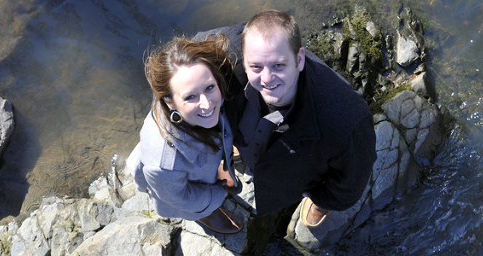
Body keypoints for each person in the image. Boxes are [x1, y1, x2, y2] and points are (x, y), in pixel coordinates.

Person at [218, 10, 377, 228]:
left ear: (300, 59)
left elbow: (350, 184)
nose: (266, 79)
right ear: (244, 60)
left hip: (303, 164)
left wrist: (323, 198)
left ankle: (318, 205)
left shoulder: (348, 120)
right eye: (256, 66)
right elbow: (178, 65)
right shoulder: (226, 52)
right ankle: (242, 148)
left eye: (279, 65)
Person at [126, 34, 243, 234]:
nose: (207, 104)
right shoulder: (163, 164)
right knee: (194, 203)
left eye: (209, 87)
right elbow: (179, 197)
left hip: (196, 157)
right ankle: (204, 212)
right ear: (170, 102)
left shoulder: (195, 86)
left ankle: (216, 168)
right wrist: (217, 194)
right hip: (171, 186)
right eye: (190, 97)